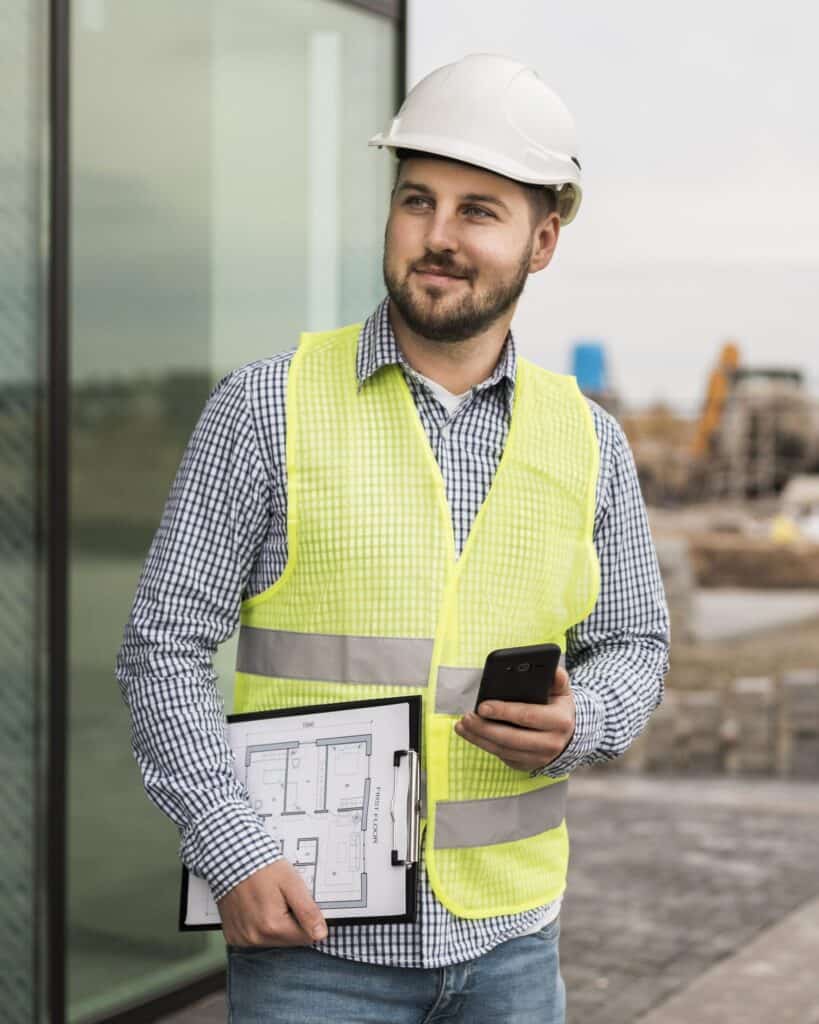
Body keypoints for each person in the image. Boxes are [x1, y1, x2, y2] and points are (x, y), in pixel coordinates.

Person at [116, 53, 669, 1024]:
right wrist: (229, 844)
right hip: (314, 950)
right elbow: (160, 650)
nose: (439, 236)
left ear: (541, 243)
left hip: (512, 944)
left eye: (478, 210)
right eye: (418, 200)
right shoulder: (265, 409)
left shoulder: (589, 440)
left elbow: (637, 643)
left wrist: (586, 720)